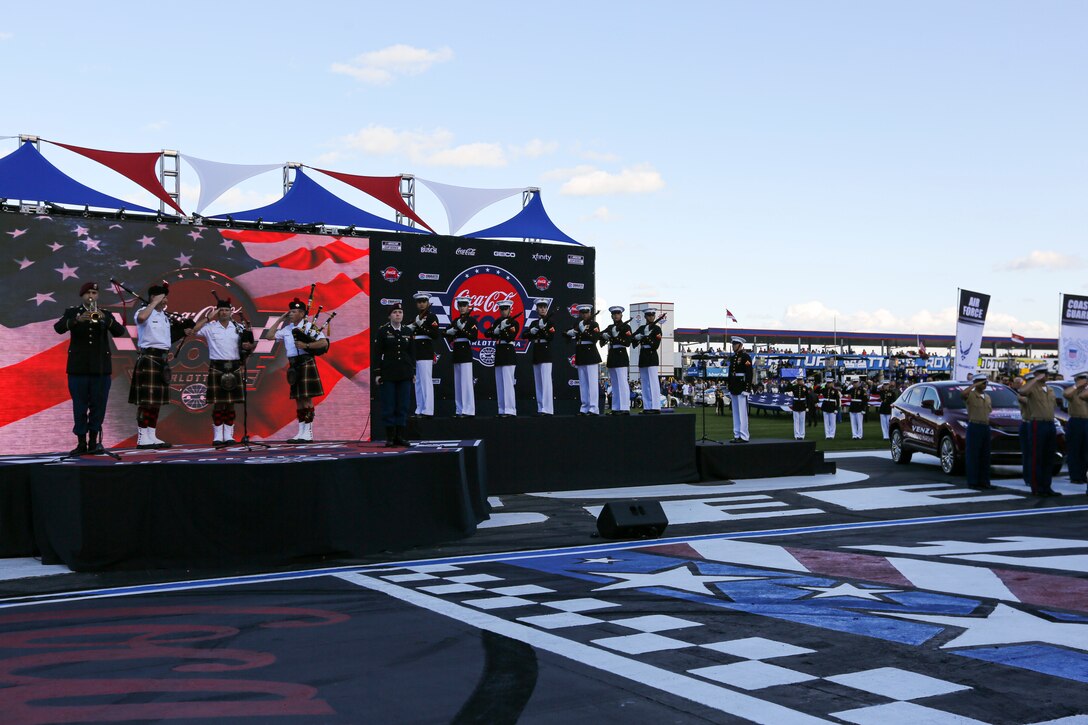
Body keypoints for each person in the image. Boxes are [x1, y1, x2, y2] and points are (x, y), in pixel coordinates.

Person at [54, 281, 125, 455]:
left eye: (94, 292)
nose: (91, 296)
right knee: (79, 406)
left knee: (98, 406)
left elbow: (119, 331)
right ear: (82, 296)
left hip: (101, 369)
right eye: (88, 293)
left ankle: (93, 442)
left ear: (98, 295)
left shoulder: (105, 314)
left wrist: (104, 319)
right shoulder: (72, 312)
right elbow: (58, 328)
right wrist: (77, 320)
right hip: (78, 369)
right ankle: (81, 442)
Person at [128, 281, 193, 449]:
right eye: (163, 298)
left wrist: (183, 331)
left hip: (162, 360)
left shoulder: (164, 317)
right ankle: (142, 437)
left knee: (156, 401)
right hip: (148, 358)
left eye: (166, 298)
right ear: (153, 297)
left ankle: (152, 435)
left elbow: (167, 339)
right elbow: (142, 319)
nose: (166, 301)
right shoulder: (143, 312)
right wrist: (154, 302)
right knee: (146, 401)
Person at [261, 298, 328, 443]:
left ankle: (308, 432)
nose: (290, 314)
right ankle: (301, 432)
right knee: (299, 399)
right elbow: (268, 336)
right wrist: (280, 319)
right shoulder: (287, 329)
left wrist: (306, 345)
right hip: (293, 366)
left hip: (306, 362)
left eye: (293, 311)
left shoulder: (310, 327)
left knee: (306, 399)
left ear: (302, 313)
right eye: (290, 311)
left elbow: (323, 342)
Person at [190, 297, 254, 446]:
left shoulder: (238, 327)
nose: (224, 312)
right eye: (221, 310)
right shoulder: (210, 327)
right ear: (217, 312)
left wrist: (248, 347)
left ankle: (229, 435)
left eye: (226, 310)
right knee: (218, 403)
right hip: (217, 366)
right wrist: (208, 318)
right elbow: (193, 331)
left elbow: (249, 345)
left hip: (235, 365)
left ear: (231, 312)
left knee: (231, 403)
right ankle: (218, 436)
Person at [374, 302, 415, 446]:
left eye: (400, 312)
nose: (398, 315)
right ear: (389, 315)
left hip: (405, 372)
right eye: (395, 312)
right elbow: (377, 353)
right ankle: (390, 437)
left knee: (403, 405)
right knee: (389, 405)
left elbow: (411, 353)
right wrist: (378, 373)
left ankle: (400, 436)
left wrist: (413, 372)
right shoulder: (383, 331)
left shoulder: (407, 331)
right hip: (388, 373)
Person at [1017, 364, 1059, 497]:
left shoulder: (1050, 389)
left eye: (1046, 373)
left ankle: (1047, 486)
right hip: (1037, 423)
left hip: (1050, 423)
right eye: (1041, 373)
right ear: (1035, 374)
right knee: (1037, 456)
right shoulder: (1032, 388)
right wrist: (1034, 379)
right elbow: (1022, 392)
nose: (1045, 375)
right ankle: (1036, 487)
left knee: (1048, 457)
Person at [407, 292, 441, 418]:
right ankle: (419, 409)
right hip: (416, 351)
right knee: (419, 382)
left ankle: (428, 410)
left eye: (423, 301)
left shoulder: (431, 317)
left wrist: (422, 326)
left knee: (426, 382)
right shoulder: (416, 317)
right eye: (419, 302)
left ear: (427, 302)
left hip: (426, 351)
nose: (421, 304)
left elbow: (435, 335)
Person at [485, 299, 520, 417]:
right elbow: (487, 333)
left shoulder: (514, 322)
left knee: (508, 383)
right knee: (500, 383)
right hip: (499, 351)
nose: (504, 311)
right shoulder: (497, 321)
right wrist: (498, 328)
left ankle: (510, 410)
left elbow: (511, 337)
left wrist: (501, 329)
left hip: (508, 352)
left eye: (506, 309)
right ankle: (501, 409)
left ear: (510, 309)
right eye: (502, 309)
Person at [445, 296, 478, 418]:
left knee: (466, 383)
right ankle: (459, 409)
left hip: (465, 351)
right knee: (458, 383)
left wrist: (461, 329)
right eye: (460, 305)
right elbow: (444, 333)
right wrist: (450, 332)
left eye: (464, 305)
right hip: (457, 351)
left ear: (468, 307)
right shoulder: (456, 320)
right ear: (457, 307)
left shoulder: (471, 321)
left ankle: (468, 410)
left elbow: (474, 337)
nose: (462, 308)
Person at [960, 374, 994, 490]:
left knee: (985, 456)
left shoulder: (987, 397)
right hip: (974, 425)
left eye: (986, 382)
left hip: (985, 426)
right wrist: (974, 385)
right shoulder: (971, 395)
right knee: (973, 456)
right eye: (982, 382)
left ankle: (984, 481)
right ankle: (973, 481)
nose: (985, 385)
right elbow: (963, 394)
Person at [566, 304, 601, 415]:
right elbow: (570, 335)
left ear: (590, 313)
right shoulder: (577, 324)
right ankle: (584, 406)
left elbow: (595, 339)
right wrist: (569, 333)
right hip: (580, 353)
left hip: (591, 354)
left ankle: (594, 407)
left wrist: (584, 331)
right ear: (580, 314)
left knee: (592, 383)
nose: (585, 315)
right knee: (584, 383)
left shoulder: (594, 324)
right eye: (582, 313)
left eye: (586, 312)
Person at [601, 306, 632, 415]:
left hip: (621, 355)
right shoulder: (610, 327)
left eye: (618, 314)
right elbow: (601, 335)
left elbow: (628, 342)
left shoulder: (626, 327)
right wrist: (604, 336)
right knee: (614, 384)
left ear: (621, 315)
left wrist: (616, 336)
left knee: (622, 382)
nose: (616, 316)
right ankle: (615, 407)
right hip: (612, 355)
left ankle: (624, 407)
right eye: (614, 314)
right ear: (611, 316)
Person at [632, 308, 663, 414]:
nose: (651, 317)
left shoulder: (657, 329)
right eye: (648, 316)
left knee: (653, 383)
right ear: (645, 317)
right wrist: (637, 337)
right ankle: (647, 406)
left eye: (652, 315)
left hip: (651, 355)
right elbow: (632, 338)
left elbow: (655, 345)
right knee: (645, 383)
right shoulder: (642, 328)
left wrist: (647, 337)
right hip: (643, 356)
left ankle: (655, 406)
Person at [1063, 370, 1088, 485]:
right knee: (1074, 450)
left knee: (1085, 451)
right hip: (1076, 421)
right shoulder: (1073, 392)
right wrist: (1076, 385)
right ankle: (1075, 476)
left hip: (1086, 422)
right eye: (1082, 379)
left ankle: (1083, 475)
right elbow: (1066, 394)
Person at [726, 336, 753, 441]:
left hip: (741, 386)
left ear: (740, 345)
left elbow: (749, 373)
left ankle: (744, 435)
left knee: (742, 413)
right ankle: (737, 434)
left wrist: (747, 388)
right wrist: (729, 386)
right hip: (734, 386)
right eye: (733, 344)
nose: (733, 346)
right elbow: (730, 374)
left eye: (735, 344)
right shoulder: (733, 358)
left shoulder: (746, 357)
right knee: (736, 413)